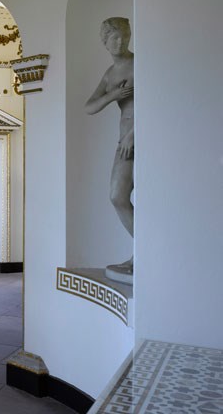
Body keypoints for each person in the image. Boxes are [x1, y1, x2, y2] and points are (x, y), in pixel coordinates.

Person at [85, 18, 134, 278]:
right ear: (105, 42)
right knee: (117, 196)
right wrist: (113, 95)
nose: (121, 41)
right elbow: (89, 107)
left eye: (125, 36)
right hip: (124, 141)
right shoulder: (110, 74)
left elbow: (155, 100)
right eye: (115, 37)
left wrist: (135, 134)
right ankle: (144, 251)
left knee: (143, 197)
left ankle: (145, 254)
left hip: (139, 138)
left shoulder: (141, 64)